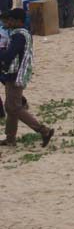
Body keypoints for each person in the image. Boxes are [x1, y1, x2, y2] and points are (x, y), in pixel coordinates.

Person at [0, 8, 56, 148]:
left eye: (10, 20)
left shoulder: (19, 36)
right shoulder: (23, 33)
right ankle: (10, 138)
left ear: (18, 21)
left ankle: (44, 130)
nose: (8, 23)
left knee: (14, 107)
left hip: (15, 74)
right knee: (10, 107)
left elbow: (9, 56)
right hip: (18, 73)